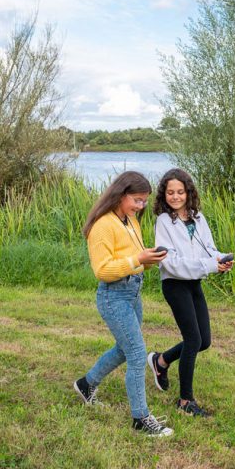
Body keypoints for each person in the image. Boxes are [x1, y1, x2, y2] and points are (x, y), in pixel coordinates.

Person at [73, 171, 173, 437]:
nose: (141, 207)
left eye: (143, 201)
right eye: (137, 200)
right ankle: (141, 418)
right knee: (138, 354)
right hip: (113, 296)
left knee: (124, 348)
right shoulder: (102, 225)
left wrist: (150, 259)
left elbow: (134, 259)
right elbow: (102, 271)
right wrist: (137, 260)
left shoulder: (129, 220)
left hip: (132, 293)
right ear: (121, 194)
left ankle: (86, 384)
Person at [147, 168, 234, 417]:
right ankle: (185, 402)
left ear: (188, 192)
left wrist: (221, 261)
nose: (175, 197)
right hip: (174, 284)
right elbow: (171, 262)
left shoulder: (198, 218)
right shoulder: (164, 221)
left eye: (180, 192)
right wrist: (209, 265)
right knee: (193, 340)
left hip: (193, 282)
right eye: (170, 192)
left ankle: (160, 361)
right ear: (164, 194)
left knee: (203, 341)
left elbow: (209, 249)